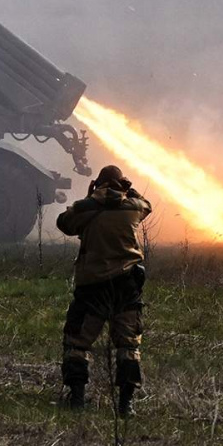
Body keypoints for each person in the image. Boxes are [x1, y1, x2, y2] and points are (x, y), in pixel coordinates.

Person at [55, 164, 153, 415]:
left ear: (97, 183)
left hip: (92, 286)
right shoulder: (131, 208)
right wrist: (129, 190)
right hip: (126, 285)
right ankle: (125, 404)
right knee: (128, 344)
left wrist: (90, 197)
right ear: (121, 184)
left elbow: (63, 223)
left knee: (77, 342)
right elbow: (147, 205)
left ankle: (77, 398)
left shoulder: (84, 209)